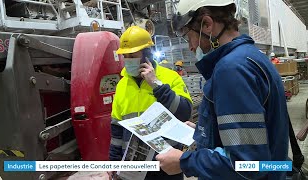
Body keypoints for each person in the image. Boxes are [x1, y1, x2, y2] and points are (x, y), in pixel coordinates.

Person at [156, 0, 289, 179]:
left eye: (189, 37)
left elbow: (248, 164)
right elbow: (255, 132)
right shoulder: (251, 56)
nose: (190, 46)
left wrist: (184, 161)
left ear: (207, 25)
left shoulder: (232, 69)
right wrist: (207, 128)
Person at [109, 26, 193, 180]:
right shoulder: (121, 85)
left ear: (146, 54)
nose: (128, 60)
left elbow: (184, 112)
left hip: (166, 166)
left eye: (132, 55)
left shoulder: (170, 77)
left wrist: (156, 84)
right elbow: (116, 130)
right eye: (125, 56)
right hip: (133, 168)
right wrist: (114, 163)